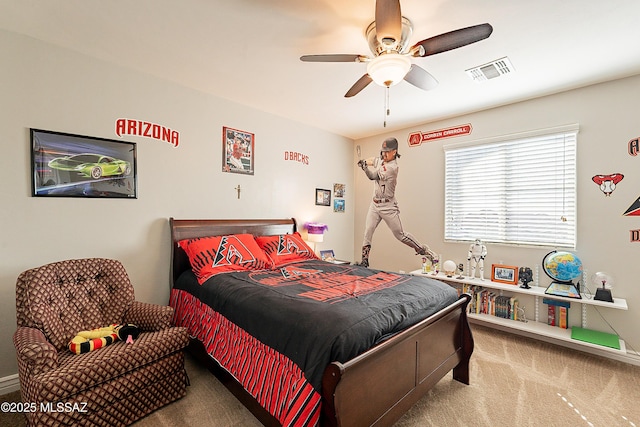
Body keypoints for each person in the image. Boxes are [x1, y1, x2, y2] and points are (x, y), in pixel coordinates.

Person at [356, 137, 437, 267]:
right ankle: (364, 261)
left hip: (388, 206)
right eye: (382, 151)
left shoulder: (392, 168)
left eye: (387, 151)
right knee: (368, 230)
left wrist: (364, 168)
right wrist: (365, 161)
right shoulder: (382, 160)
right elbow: (374, 160)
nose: (384, 154)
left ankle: (423, 250)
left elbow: (372, 176)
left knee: (400, 235)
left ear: (394, 152)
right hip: (375, 204)